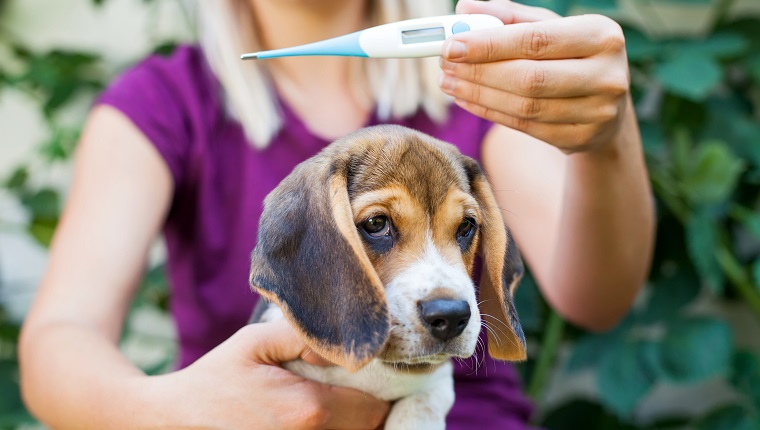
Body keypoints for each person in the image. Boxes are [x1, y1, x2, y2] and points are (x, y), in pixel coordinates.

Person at [19, 0, 654, 428]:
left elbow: (595, 299)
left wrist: (606, 139)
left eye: (463, 230)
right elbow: (59, 339)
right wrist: (167, 411)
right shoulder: (163, 103)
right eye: (379, 224)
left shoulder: (479, 82)